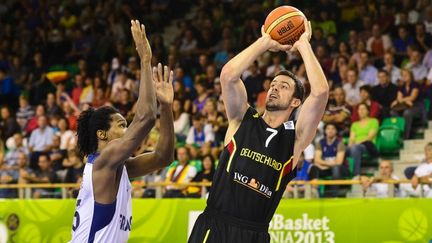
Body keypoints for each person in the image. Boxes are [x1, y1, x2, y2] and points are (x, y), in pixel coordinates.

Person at [189, 21, 329, 242]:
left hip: (255, 233)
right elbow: (228, 75)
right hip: (214, 226)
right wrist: (265, 42)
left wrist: (303, 44)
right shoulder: (242, 118)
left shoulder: (295, 139)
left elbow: (320, 92)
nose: (274, 88)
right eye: (273, 84)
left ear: (295, 102)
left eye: (283, 86)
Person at [70, 20, 175, 242]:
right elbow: (145, 117)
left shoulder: (117, 167)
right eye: (121, 125)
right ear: (102, 134)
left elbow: (163, 157)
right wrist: (145, 60)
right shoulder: (103, 161)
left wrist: (166, 107)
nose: (127, 130)